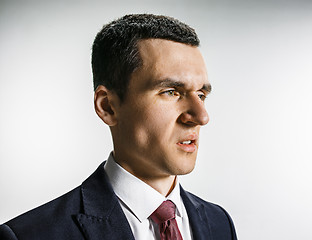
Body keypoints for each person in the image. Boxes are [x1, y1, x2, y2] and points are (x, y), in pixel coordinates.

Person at [0, 14, 237, 240]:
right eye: (171, 92)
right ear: (108, 107)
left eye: (201, 94)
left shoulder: (220, 223)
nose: (201, 116)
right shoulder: (30, 235)